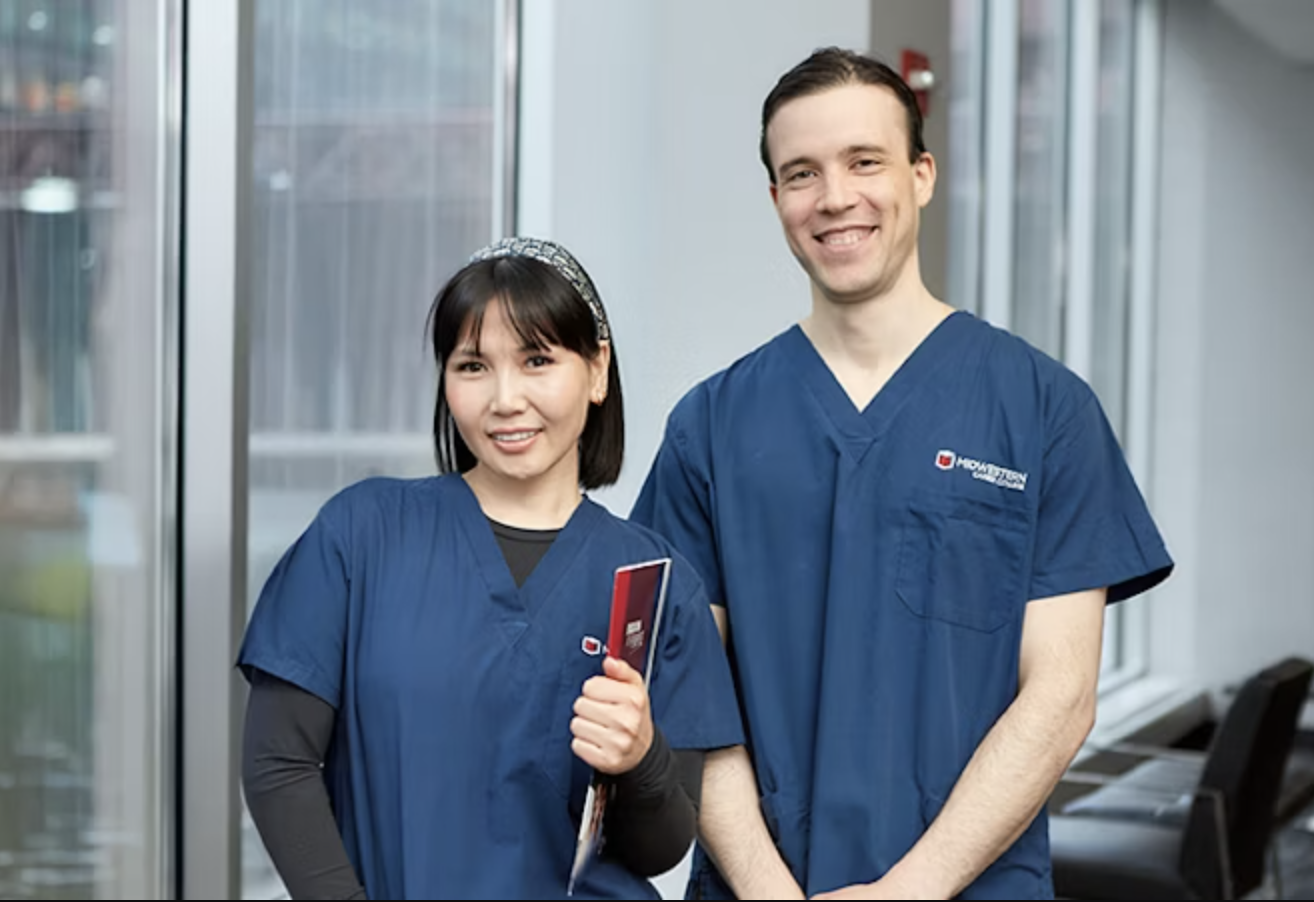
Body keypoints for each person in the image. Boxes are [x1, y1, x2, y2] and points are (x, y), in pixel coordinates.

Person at [630, 47, 1175, 900]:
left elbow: (1060, 698)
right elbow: (683, 695)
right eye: (801, 172)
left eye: (864, 162)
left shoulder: (1041, 410)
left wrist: (907, 893)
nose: (835, 197)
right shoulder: (711, 427)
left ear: (922, 175)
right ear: (776, 200)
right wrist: (769, 892)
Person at [237, 237, 744, 900]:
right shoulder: (362, 535)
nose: (505, 399)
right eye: (473, 366)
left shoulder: (654, 584)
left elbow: (660, 849)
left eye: (537, 360)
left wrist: (640, 756)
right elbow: (279, 762)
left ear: (596, 372)